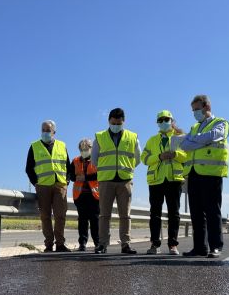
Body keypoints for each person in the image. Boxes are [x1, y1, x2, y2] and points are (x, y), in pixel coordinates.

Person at [180, 95, 229, 258]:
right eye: (193, 110)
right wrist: (199, 140)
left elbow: (213, 136)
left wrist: (194, 140)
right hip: (193, 174)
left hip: (211, 173)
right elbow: (184, 145)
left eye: (197, 109)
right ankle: (199, 247)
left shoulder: (221, 123)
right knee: (196, 213)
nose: (195, 113)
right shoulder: (194, 127)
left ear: (207, 107)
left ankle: (216, 246)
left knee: (212, 211)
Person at [92, 107, 141, 254]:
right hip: (106, 181)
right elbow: (94, 160)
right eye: (113, 123)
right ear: (109, 121)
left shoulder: (132, 137)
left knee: (125, 215)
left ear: (123, 122)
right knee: (104, 214)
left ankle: (125, 244)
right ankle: (102, 244)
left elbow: (137, 158)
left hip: (124, 180)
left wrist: (127, 168)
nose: (115, 126)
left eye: (118, 123)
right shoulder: (100, 136)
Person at [141, 110, 188, 255]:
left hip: (174, 180)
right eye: (160, 120)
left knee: (174, 213)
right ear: (157, 123)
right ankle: (155, 245)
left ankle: (172, 245)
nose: (163, 122)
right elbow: (144, 158)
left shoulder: (181, 138)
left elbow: (188, 156)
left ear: (172, 120)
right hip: (156, 180)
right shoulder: (152, 140)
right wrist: (159, 156)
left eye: (166, 119)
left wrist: (175, 154)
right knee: (155, 213)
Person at [25, 120, 72, 253]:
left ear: (54, 132)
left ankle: (60, 244)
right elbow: (29, 168)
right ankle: (49, 244)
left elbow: (68, 167)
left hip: (60, 185)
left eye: (48, 130)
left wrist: (66, 182)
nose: (45, 132)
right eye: (43, 130)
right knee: (45, 216)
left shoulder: (62, 145)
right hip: (43, 186)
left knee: (60, 215)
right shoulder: (34, 146)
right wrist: (36, 183)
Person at [70, 138, 100, 251]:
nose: (84, 151)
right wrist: (75, 177)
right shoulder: (75, 161)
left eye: (86, 149)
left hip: (95, 195)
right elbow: (70, 175)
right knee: (82, 220)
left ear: (91, 149)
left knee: (95, 220)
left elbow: (101, 174)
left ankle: (98, 243)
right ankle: (82, 243)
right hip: (80, 195)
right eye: (82, 149)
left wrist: (86, 178)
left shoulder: (97, 160)